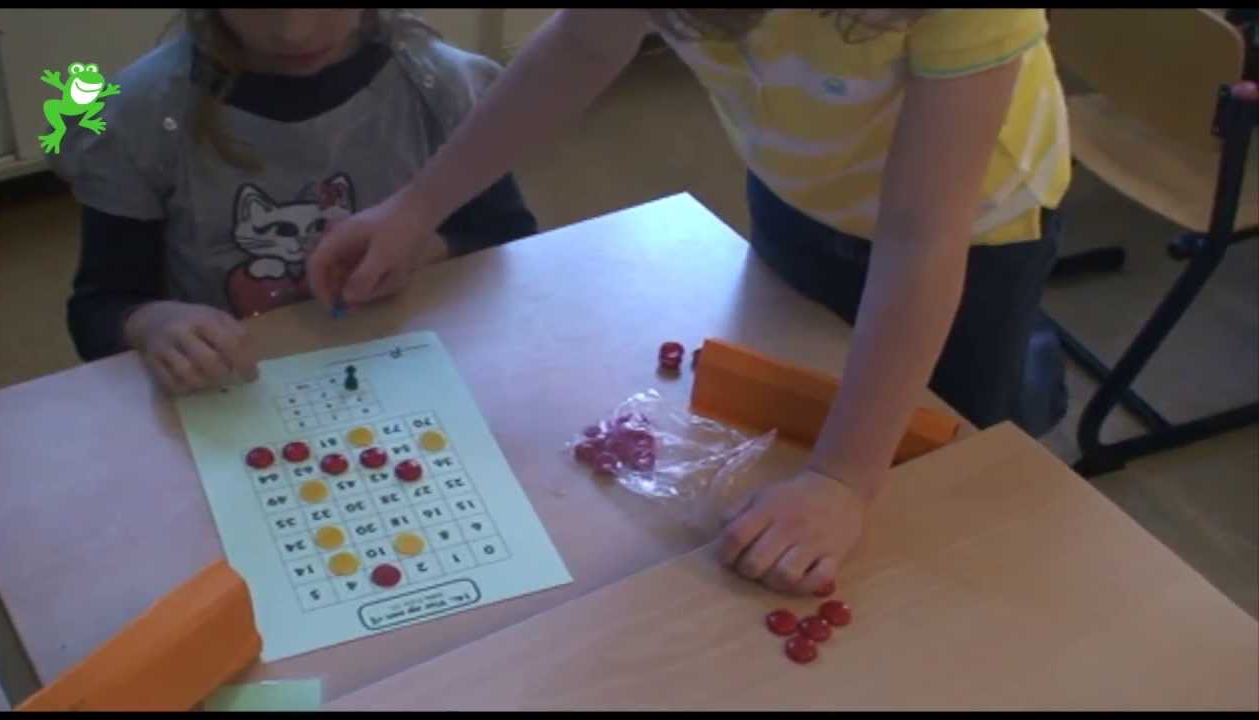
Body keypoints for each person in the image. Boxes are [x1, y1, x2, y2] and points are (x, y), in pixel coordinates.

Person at [305, 9, 1072, 595]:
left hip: (975, 231)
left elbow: (919, 242)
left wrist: (843, 478)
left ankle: (1031, 372)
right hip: (800, 188)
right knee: (806, 377)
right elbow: (580, 46)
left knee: (946, 445)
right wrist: (417, 207)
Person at [54, 9, 538, 394]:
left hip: (406, 371)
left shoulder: (441, 87)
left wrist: (427, 249)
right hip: (232, 396)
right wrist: (151, 323)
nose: (294, 31)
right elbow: (99, 308)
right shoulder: (140, 117)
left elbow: (506, 233)